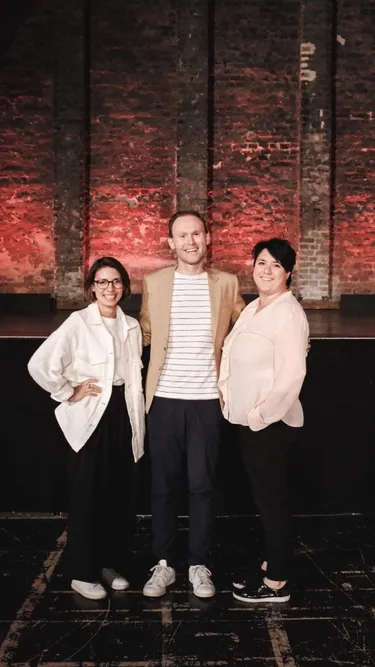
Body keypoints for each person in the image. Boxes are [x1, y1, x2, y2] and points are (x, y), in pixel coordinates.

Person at [139, 210, 245, 598]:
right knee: (162, 487)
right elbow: (144, 332)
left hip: (206, 401)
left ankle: (199, 565)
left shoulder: (227, 283)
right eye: (182, 235)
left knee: (203, 486)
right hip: (164, 399)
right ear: (171, 242)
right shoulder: (154, 282)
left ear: (207, 237)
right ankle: (164, 564)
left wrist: (293, 336)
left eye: (196, 234)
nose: (190, 241)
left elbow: (247, 326)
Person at [27, 257, 145, 601]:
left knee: (118, 494)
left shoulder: (131, 326)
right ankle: (82, 573)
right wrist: (68, 391)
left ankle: (110, 565)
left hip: (124, 414)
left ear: (124, 286)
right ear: (92, 287)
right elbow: (39, 364)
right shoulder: (78, 322)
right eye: (103, 282)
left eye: (116, 282)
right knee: (87, 494)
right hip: (92, 416)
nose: (110, 288)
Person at [218, 238, 309, 604]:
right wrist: (226, 392)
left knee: (272, 501)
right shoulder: (255, 306)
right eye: (261, 262)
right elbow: (230, 352)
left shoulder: (289, 313)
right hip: (247, 423)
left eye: (275, 265)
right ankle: (274, 563)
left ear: (288, 272)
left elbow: (292, 376)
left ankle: (277, 583)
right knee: (265, 498)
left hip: (270, 427)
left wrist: (259, 417)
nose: (266, 270)